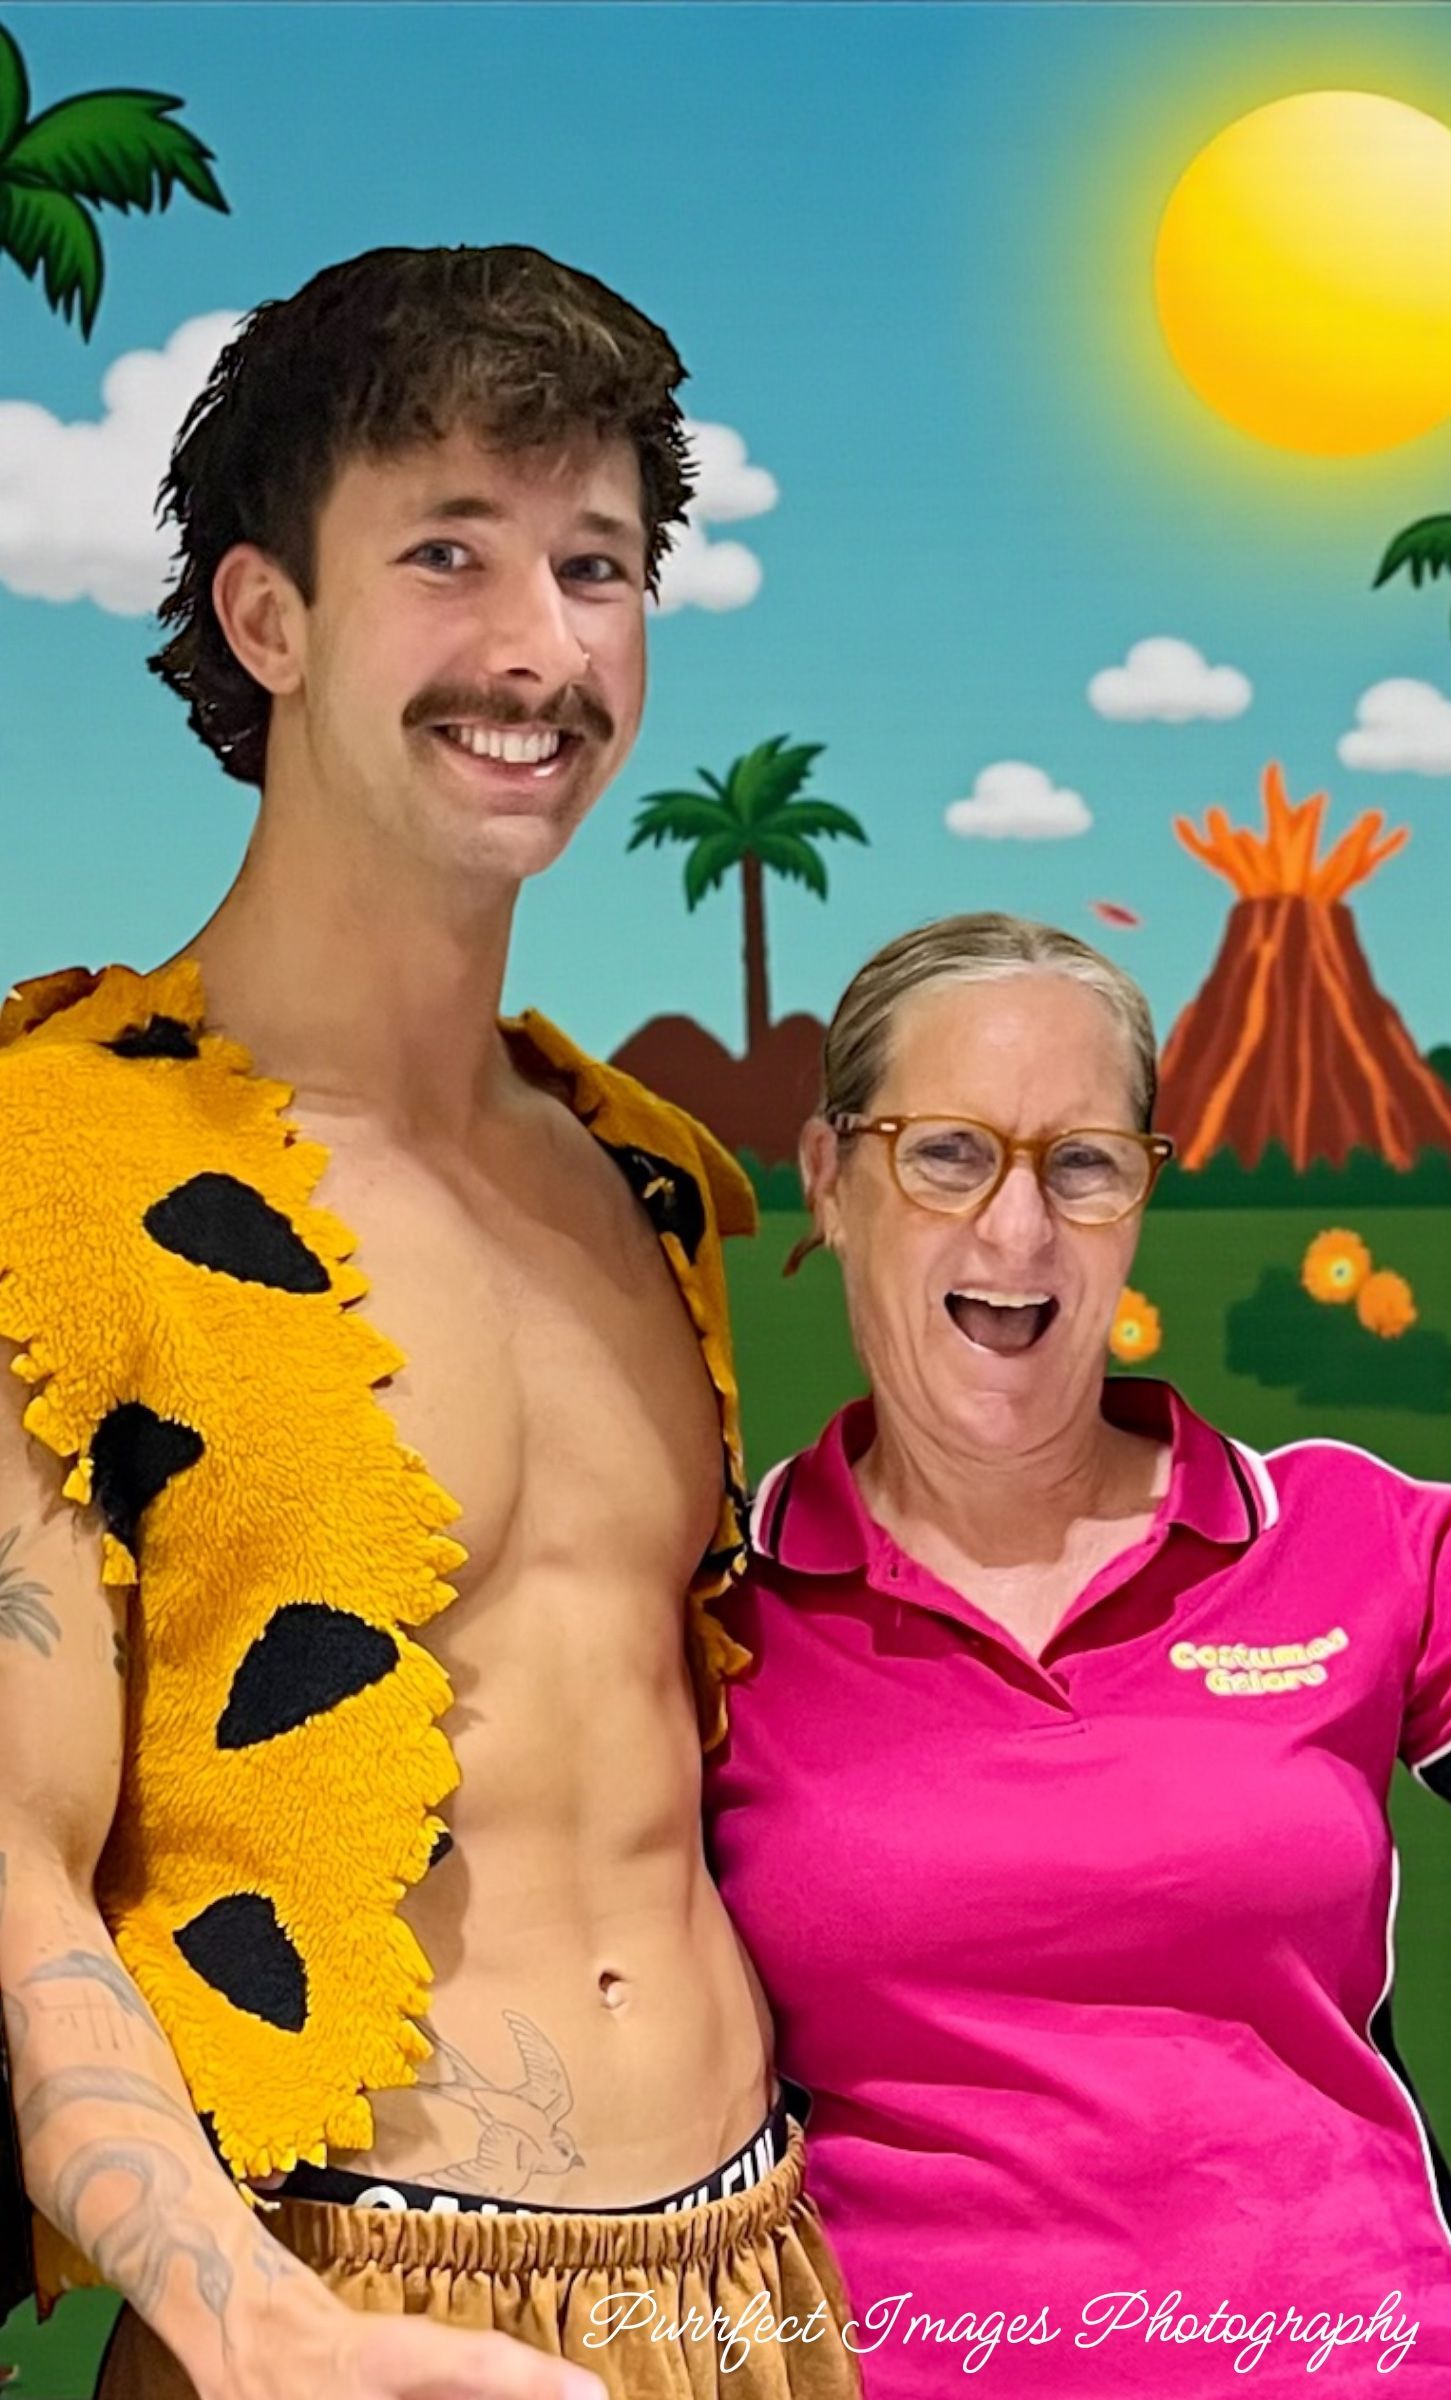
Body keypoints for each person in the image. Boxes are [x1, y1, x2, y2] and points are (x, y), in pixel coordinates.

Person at [0, 245, 857, 2400]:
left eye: (593, 563)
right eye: (447, 551)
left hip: (759, 2287)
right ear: (265, 615)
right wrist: (244, 2316)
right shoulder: (52, 1166)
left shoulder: (644, 1170)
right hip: (331, 2309)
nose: (537, 648)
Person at [705, 910, 1451, 2398]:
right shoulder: (707, 1615)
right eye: (946, 1154)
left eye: (1082, 1164)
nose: (1017, 1232)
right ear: (828, 1181)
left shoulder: (1353, 1539)